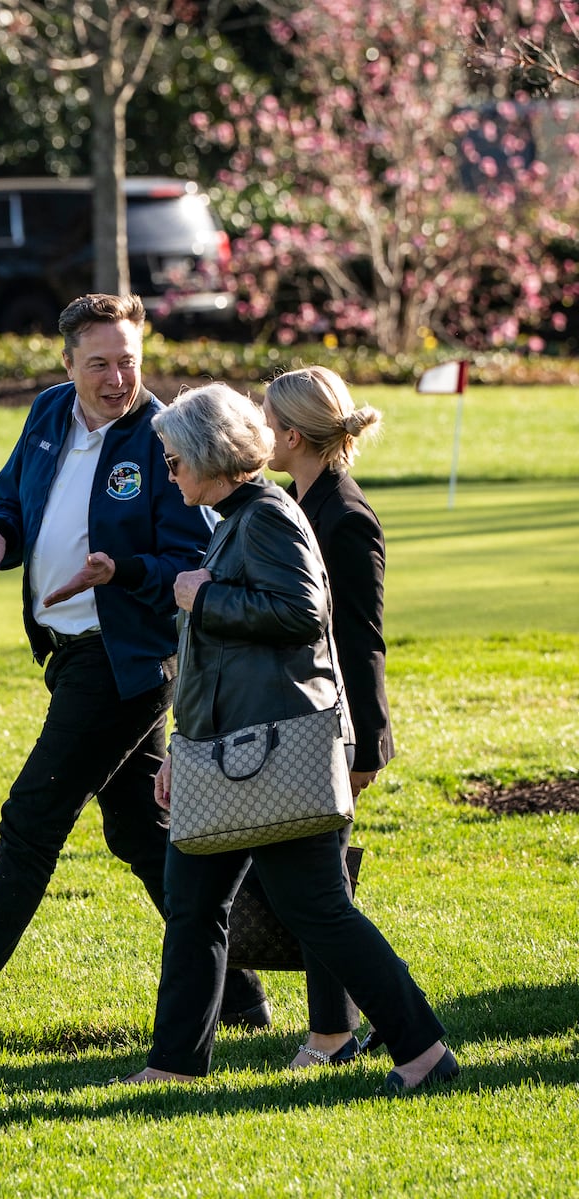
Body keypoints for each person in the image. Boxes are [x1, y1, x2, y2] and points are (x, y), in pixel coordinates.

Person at [0, 293, 267, 1046]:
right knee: (143, 835)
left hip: (125, 664)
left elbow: (189, 561)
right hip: (67, 653)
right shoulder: (49, 412)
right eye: (101, 363)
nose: (119, 379)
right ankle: (240, 993)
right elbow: (15, 501)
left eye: (130, 362)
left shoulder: (166, 434)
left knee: (32, 818)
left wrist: (121, 570)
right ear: (68, 363)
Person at [119, 382, 458, 1093]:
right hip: (228, 751)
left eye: (177, 459)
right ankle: (173, 1064)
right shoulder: (235, 516)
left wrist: (201, 594)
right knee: (194, 905)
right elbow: (218, 660)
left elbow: (301, 611)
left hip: (270, 753)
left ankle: (423, 1051)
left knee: (316, 911)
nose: (171, 470)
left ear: (213, 457)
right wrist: (182, 747)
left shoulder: (267, 514)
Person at [260, 365, 394, 1068]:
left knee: (318, 889)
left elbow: (362, 638)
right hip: (300, 719)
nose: (259, 432)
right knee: (320, 885)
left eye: (266, 422)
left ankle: (333, 1035)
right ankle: (359, 1018)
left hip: (336, 729)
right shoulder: (294, 502)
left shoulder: (345, 517)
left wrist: (366, 743)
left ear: (291, 434)